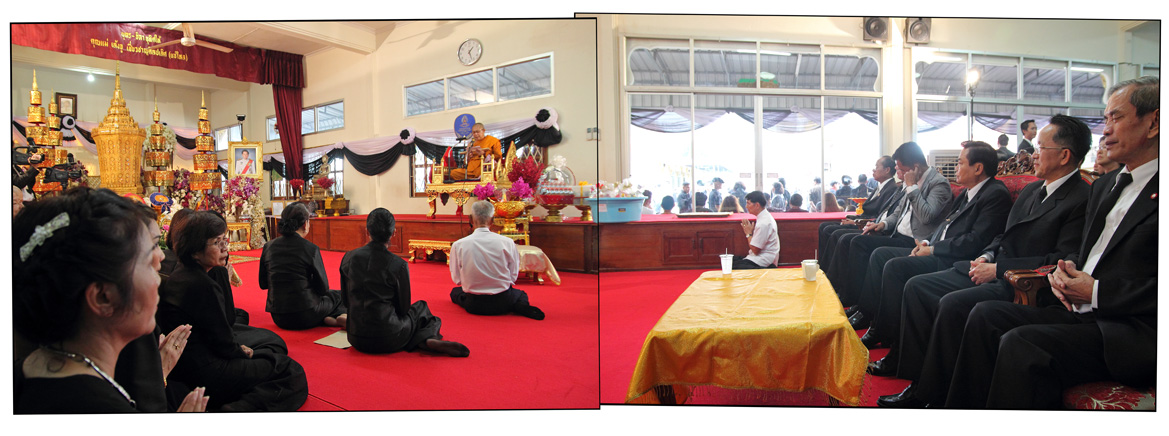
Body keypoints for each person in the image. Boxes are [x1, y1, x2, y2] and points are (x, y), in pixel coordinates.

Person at [944, 76, 1158, 409]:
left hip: (1128, 328)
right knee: (986, 316)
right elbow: (1086, 253)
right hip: (1076, 307)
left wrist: (1096, 292)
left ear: (1153, 123)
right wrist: (1067, 271)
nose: (1106, 131)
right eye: (1105, 120)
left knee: (1023, 344)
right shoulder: (1108, 186)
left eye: (1116, 118)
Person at [878, 114, 1093, 408]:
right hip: (990, 265)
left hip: (1023, 281)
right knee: (918, 287)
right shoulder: (1033, 189)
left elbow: (1060, 259)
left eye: (1040, 148)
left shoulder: (1081, 197)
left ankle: (932, 395)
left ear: (1064, 155)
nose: (1032, 155)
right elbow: (1003, 234)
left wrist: (997, 268)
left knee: (951, 304)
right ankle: (916, 379)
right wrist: (987, 255)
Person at [14, 187, 208, 413]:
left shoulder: (29, 369)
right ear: (103, 297)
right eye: (148, 262)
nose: (161, 260)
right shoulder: (98, 409)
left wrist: (160, 373)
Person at [852, 141, 1011, 350]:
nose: (955, 168)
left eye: (960, 163)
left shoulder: (994, 194)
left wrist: (933, 249)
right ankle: (875, 322)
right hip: (936, 247)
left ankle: (887, 335)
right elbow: (945, 225)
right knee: (881, 256)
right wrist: (927, 242)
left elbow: (975, 240)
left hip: (955, 259)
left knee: (895, 267)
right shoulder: (968, 192)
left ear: (978, 168)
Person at [158, 211, 308, 411]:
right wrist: (241, 353)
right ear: (195, 251)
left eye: (224, 240)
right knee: (289, 370)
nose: (224, 248)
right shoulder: (202, 284)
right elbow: (223, 341)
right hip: (209, 370)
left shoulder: (181, 274)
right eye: (216, 243)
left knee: (267, 354)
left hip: (191, 365)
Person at [828, 142, 953, 327]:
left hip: (915, 241)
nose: (899, 173)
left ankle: (866, 312)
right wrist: (883, 224)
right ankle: (855, 301)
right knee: (858, 241)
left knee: (877, 253)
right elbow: (899, 213)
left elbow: (926, 216)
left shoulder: (938, 184)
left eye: (902, 169)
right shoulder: (912, 181)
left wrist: (912, 187)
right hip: (897, 234)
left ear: (915, 167)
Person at [341, 208, 469, 357]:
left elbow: (346, 301)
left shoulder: (348, 258)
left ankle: (420, 340)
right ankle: (426, 339)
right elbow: (403, 309)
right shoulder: (397, 264)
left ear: (367, 231)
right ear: (393, 233)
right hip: (388, 337)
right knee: (422, 309)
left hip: (355, 336)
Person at [450, 200, 545, 320]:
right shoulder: (507, 242)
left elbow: (457, 279)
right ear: (492, 220)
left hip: (473, 304)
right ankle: (517, 306)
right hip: (502, 301)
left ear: (470, 219)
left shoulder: (458, 245)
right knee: (520, 294)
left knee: (455, 292)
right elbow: (513, 276)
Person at [259, 202, 347, 330]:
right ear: (305, 224)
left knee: (330, 298)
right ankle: (339, 316)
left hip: (278, 317)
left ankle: (329, 318)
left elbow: (263, 284)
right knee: (339, 296)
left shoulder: (268, 247)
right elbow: (323, 288)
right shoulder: (310, 248)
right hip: (306, 314)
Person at [817, 156, 899, 269]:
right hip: (863, 219)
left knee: (834, 232)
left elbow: (879, 216)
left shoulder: (892, 189)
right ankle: (822, 266)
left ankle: (830, 271)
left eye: (876, 167)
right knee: (824, 226)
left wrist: (856, 222)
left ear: (887, 170)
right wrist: (853, 219)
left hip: (869, 224)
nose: (874, 170)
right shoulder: (879, 187)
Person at [732, 191, 780, 269]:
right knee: (732, 260)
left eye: (748, 203)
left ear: (757, 205)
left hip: (762, 260)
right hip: (760, 257)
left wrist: (748, 233)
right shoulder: (765, 216)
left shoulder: (764, 223)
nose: (746, 207)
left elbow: (755, 250)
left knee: (734, 267)